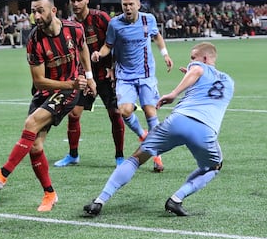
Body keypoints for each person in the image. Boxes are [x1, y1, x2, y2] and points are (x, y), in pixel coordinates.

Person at [0, 0, 97, 212]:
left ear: (53, 11)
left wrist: (88, 77)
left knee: (31, 124)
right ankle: (50, 194)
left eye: (40, 11)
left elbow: (82, 47)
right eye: (33, 12)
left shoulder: (74, 29)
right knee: (35, 146)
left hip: (69, 91)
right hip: (47, 91)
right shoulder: (34, 41)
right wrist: (72, 83)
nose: (36, 16)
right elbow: (39, 81)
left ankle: (2, 175)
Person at [84, 42, 234, 216]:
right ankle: (177, 199)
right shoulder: (229, 82)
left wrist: (173, 94)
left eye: (193, 57)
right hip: (205, 130)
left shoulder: (198, 67)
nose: (191, 61)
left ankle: (99, 201)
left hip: (178, 121)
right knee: (214, 166)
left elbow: (197, 71)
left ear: (206, 58)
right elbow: (206, 88)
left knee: (137, 158)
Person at [90, 0, 173, 172]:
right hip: (125, 76)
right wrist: (98, 54)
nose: (127, 8)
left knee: (151, 112)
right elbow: (108, 46)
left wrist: (165, 54)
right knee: (125, 111)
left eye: (130, 4)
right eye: (124, 5)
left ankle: (157, 155)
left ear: (138, 5)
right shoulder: (115, 24)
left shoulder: (147, 20)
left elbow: (157, 36)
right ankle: (143, 134)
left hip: (146, 73)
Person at [54, 0, 125, 167]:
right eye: (73, 1)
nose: (76, 4)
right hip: (85, 76)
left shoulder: (100, 18)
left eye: (79, 0)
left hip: (106, 74)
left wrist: (113, 68)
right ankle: (73, 155)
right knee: (74, 115)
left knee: (115, 114)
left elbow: (117, 41)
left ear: (87, 0)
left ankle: (119, 157)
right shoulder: (70, 24)